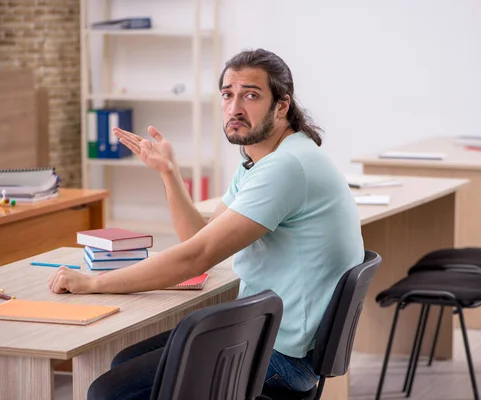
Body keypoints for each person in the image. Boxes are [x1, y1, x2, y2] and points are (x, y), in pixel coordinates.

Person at [49, 48, 364, 398]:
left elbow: (196, 258)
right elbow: (198, 239)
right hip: (275, 339)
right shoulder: (262, 159)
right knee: (125, 359)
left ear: (282, 105)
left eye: (251, 95)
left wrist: (94, 284)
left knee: (109, 392)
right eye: (228, 95)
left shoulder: (286, 167)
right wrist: (169, 173)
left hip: (281, 358)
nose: (234, 108)